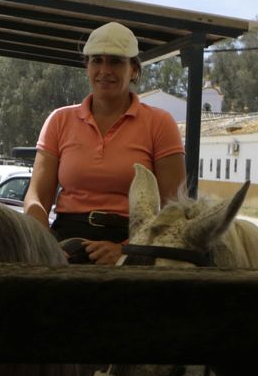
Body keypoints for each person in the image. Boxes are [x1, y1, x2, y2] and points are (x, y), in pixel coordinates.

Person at [22, 21, 186, 264]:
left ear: (134, 70)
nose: (104, 70)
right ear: (87, 67)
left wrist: (127, 251)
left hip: (134, 243)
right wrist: (44, 243)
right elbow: (36, 197)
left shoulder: (160, 123)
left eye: (116, 62)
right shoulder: (59, 120)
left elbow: (175, 210)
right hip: (65, 244)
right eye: (97, 60)